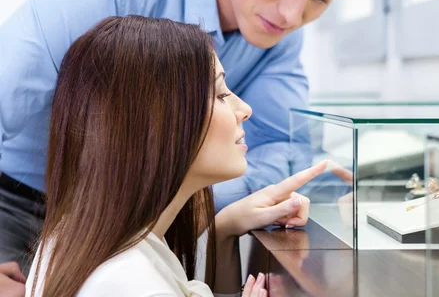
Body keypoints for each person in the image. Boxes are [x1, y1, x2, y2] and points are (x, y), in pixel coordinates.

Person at [0, 0, 380, 275]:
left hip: (136, 227)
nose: (292, 14)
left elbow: (281, 147)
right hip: (19, 203)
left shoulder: (279, 37)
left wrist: (184, 203)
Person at [25, 16, 327, 297]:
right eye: (221, 94)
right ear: (158, 122)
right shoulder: (131, 283)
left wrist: (224, 229)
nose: (244, 109)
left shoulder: (76, 238)